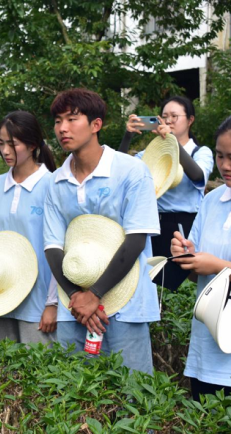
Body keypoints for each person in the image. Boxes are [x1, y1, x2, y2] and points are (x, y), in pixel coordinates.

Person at [43, 89, 160, 374]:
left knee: (133, 394)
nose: (62, 128)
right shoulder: (56, 181)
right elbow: (53, 247)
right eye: (58, 121)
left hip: (127, 302)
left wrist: (94, 294)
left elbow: (135, 240)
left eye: (72, 119)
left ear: (96, 125)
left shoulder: (131, 171)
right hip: (75, 308)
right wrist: (76, 298)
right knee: (75, 395)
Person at [0, 111, 58, 343]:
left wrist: (52, 304)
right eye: (1, 143)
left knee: (40, 374)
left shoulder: (52, 185)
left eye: (13, 144)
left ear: (33, 145)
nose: (5, 151)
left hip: (38, 304)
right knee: (1, 373)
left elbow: (59, 251)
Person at [170, 115, 231, 401]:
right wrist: (186, 257)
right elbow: (198, 272)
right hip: (208, 349)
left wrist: (218, 267)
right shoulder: (212, 200)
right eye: (220, 156)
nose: (225, 166)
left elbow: (214, 266)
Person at [120, 96, 214, 279]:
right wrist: (127, 137)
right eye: (164, 116)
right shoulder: (150, 154)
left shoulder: (201, 152)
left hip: (184, 227)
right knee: (154, 283)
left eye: (174, 116)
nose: (169, 120)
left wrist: (172, 142)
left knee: (180, 283)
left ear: (190, 120)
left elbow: (198, 175)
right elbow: (119, 171)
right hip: (154, 226)